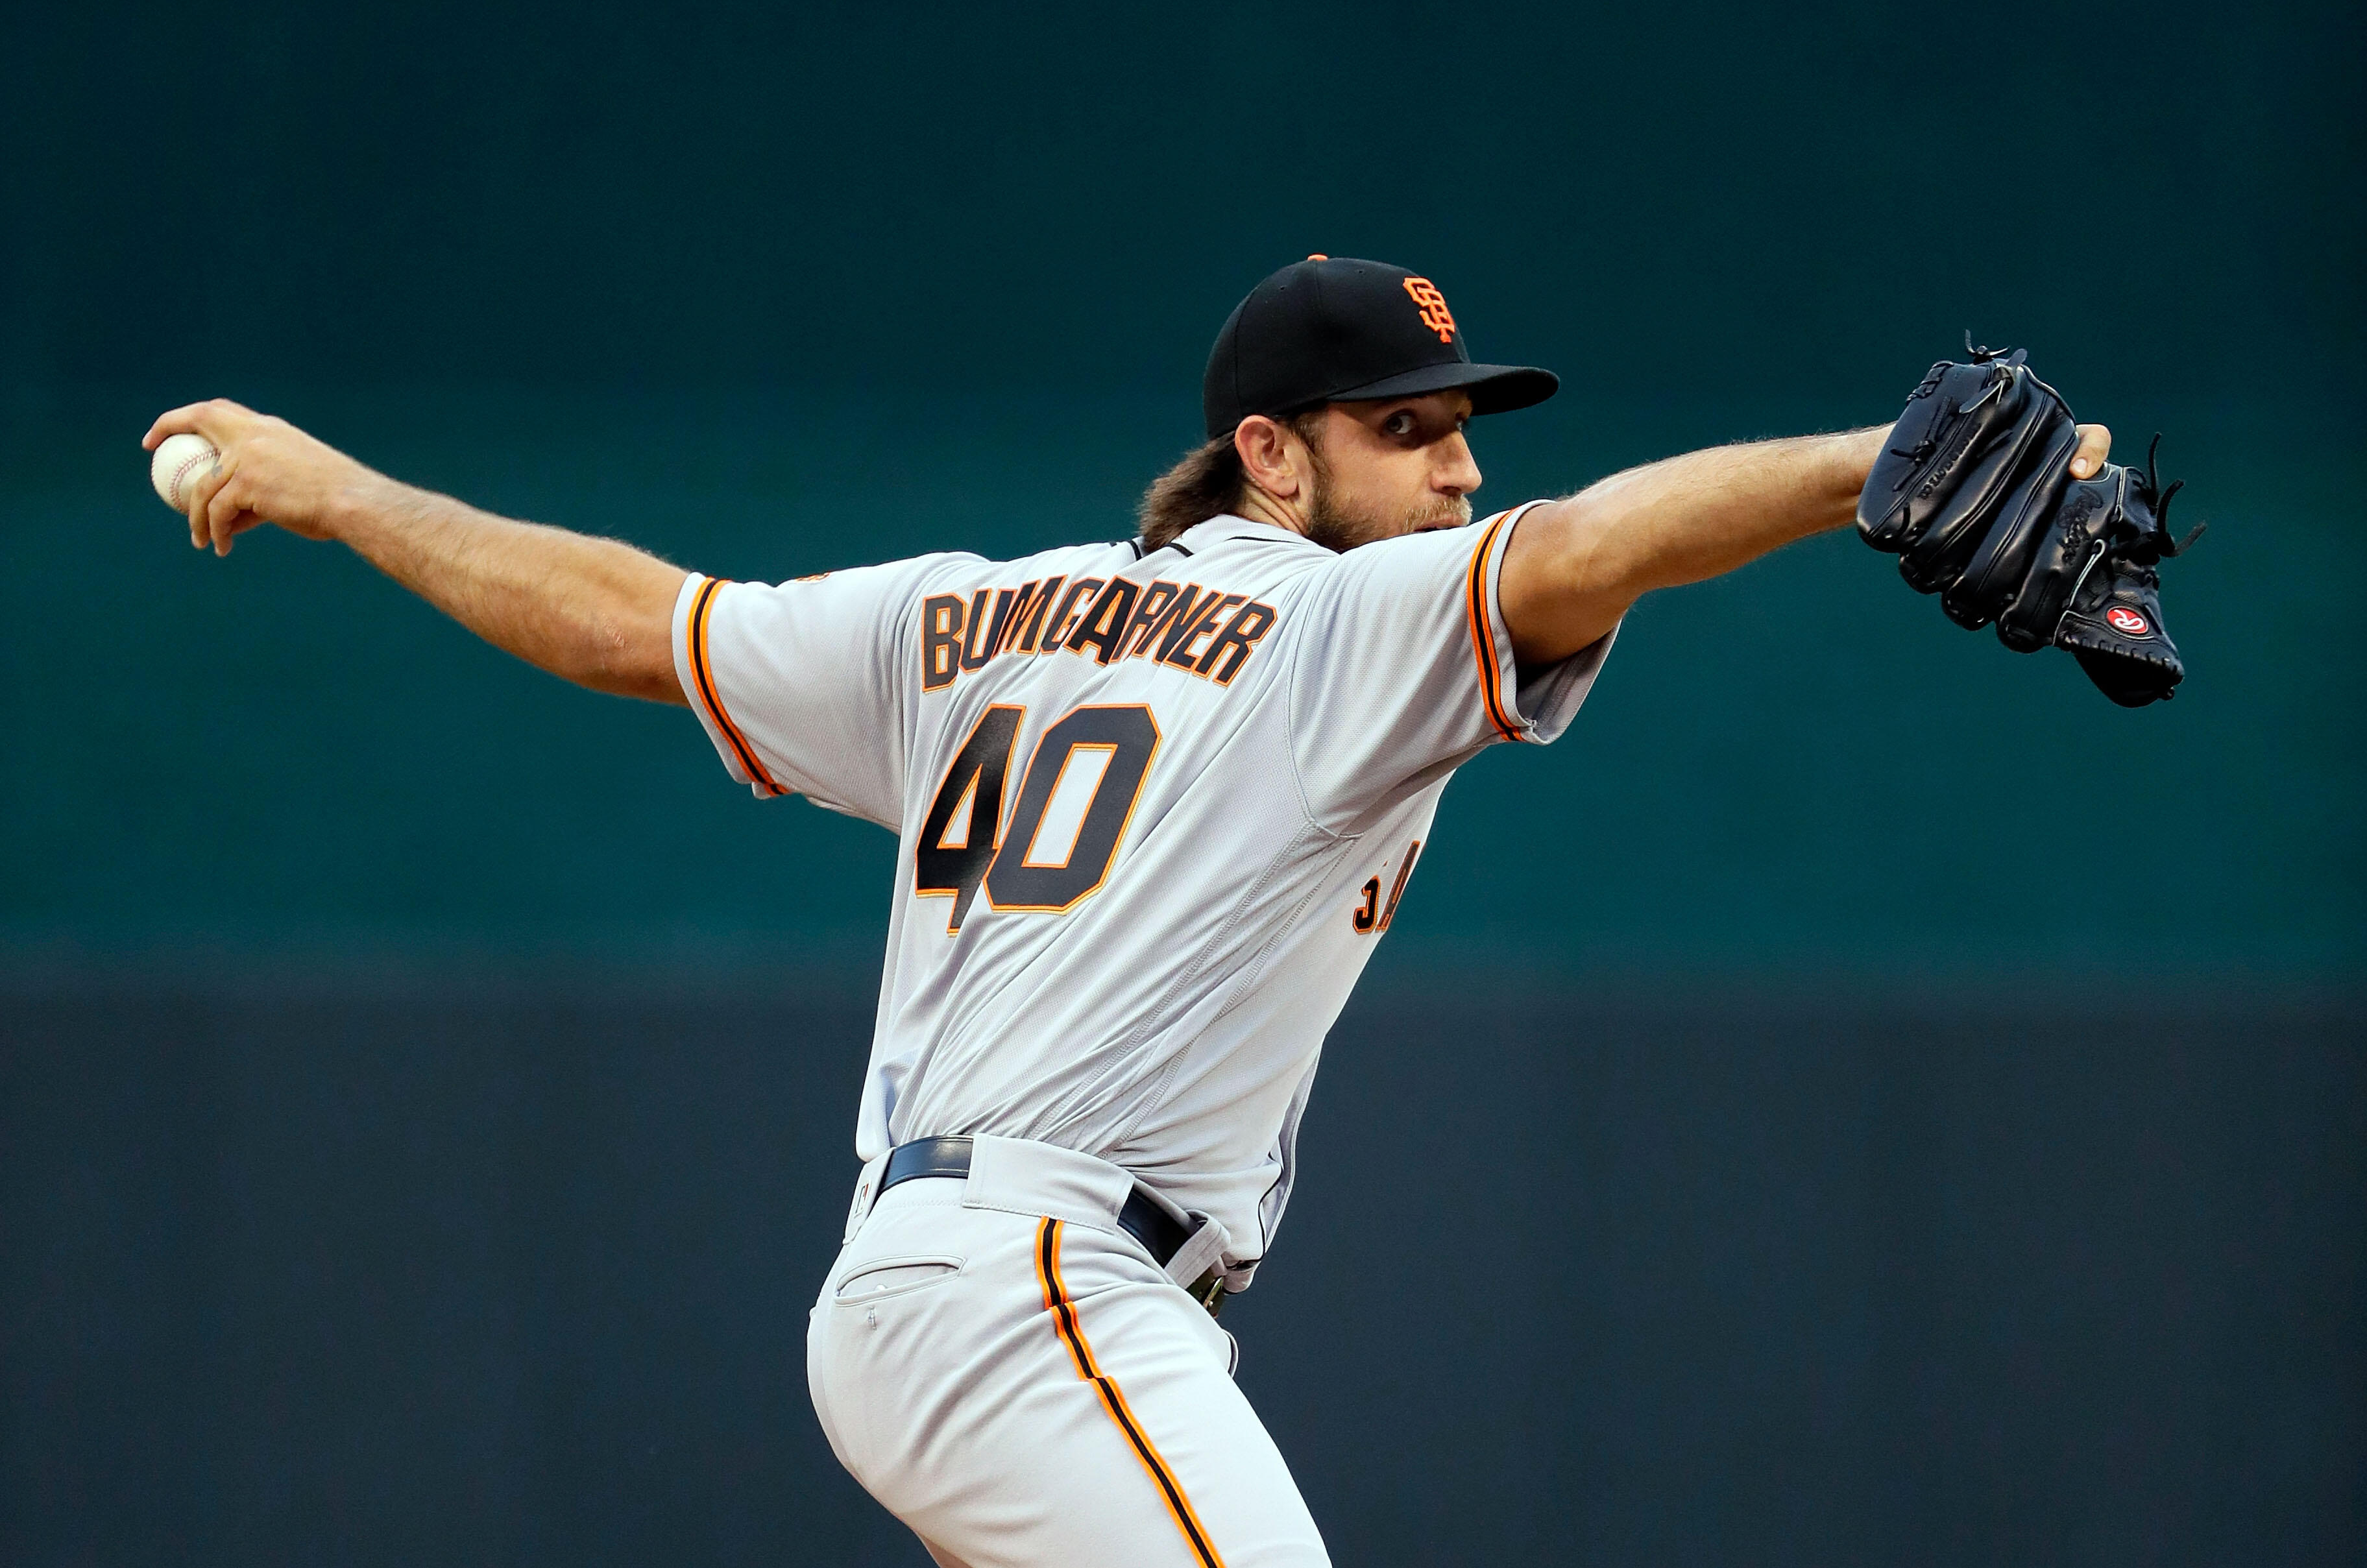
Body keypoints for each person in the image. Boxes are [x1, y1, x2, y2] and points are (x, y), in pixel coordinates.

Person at [145, 256, 2113, 1567]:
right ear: (1270, 454)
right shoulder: (1332, 615)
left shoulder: (964, 612)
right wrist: (1872, 462)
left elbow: (632, 620)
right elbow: (1591, 546)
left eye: (1462, 425)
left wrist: (338, 490)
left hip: (952, 1287)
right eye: (1408, 429)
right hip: (1037, 1288)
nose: (1460, 467)